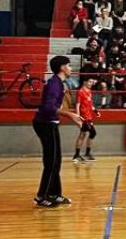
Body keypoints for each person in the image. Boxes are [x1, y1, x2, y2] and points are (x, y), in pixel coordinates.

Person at [32, 56, 83, 207]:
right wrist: (70, 115)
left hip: (49, 123)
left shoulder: (58, 83)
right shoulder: (55, 84)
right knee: (51, 162)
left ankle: (54, 194)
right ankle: (42, 196)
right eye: (69, 65)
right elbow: (49, 107)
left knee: (56, 161)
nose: (71, 68)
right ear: (62, 67)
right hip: (45, 124)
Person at [73, 77, 99, 163]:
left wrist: (96, 111)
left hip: (89, 116)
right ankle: (78, 155)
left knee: (84, 134)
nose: (91, 83)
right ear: (85, 82)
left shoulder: (89, 91)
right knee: (90, 133)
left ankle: (81, 155)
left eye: (92, 82)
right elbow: (77, 105)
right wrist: (78, 116)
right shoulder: (80, 92)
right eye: (90, 81)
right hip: (83, 117)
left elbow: (90, 104)